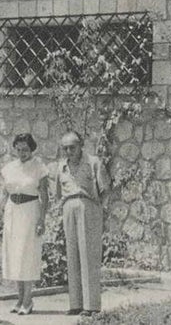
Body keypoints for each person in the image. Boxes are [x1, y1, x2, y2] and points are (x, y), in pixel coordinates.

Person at [0, 133, 49, 316]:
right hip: (12, 211)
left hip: (30, 211)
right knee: (15, 255)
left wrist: (42, 220)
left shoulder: (39, 168)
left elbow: (45, 196)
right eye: (19, 149)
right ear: (14, 149)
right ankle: (19, 298)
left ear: (32, 149)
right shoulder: (9, 168)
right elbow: (3, 192)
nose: (22, 153)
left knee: (28, 254)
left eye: (25, 149)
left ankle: (28, 300)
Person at [55, 131, 110, 316]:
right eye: (65, 148)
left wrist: (96, 209)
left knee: (89, 255)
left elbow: (105, 190)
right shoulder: (61, 166)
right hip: (68, 207)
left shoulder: (93, 162)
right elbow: (58, 192)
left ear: (81, 146)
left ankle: (92, 305)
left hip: (89, 207)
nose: (69, 151)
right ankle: (76, 303)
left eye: (72, 147)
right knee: (72, 255)